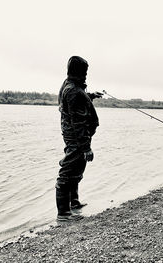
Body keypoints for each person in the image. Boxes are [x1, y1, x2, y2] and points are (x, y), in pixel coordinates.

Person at [56, 56, 102, 221]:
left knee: (76, 167)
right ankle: (63, 214)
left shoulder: (69, 85)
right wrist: (86, 147)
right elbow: (78, 122)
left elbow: (75, 99)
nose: (86, 74)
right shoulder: (74, 91)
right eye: (84, 71)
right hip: (76, 137)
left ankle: (74, 203)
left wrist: (91, 95)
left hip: (72, 135)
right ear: (78, 71)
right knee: (68, 171)